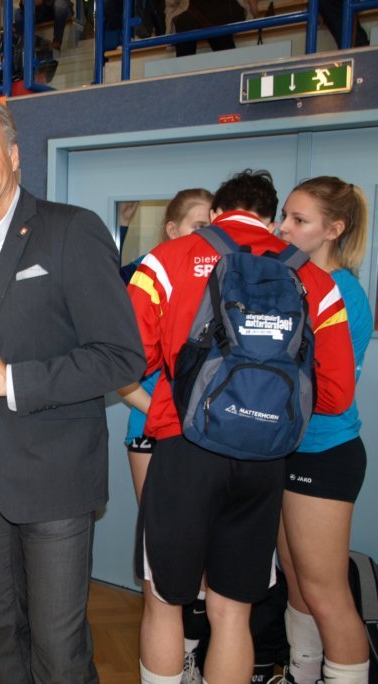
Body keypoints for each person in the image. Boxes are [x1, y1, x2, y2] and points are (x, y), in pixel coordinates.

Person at [0, 97, 145, 682]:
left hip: (53, 478)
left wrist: (13, 379)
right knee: (1, 632)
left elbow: (120, 356)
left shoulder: (70, 229)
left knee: (58, 646)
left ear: (14, 153)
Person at [128, 169, 356, 683]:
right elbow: (336, 394)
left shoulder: (164, 261)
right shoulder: (316, 280)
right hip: (265, 459)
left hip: (184, 449)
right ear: (270, 220)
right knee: (232, 611)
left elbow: (129, 361)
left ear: (215, 214)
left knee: (165, 603)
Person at [274, 177, 371, 684]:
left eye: (299, 220)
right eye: (284, 215)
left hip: (324, 453)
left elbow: (329, 391)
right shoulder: (293, 281)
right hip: (285, 450)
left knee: (327, 592)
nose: (283, 228)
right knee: (296, 579)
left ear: (333, 229)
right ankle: (303, 672)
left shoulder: (343, 292)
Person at [115, 189, 213, 682]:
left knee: (204, 561)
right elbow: (120, 371)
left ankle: (192, 651)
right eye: (199, 226)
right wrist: (170, 414)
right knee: (166, 561)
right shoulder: (148, 278)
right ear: (172, 230)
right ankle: (180, 657)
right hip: (155, 434)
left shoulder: (226, 280)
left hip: (206, 443)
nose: (209, 237)